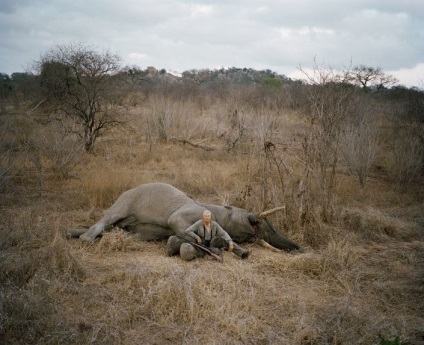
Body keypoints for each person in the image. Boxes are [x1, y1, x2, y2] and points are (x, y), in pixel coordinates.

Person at [166, 209, 251, 261]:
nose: (207, 218)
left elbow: (223, 233)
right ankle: (214, 252)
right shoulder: (199, 223)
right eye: (206, 216)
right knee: (210, 251)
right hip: (201, 243)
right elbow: (188, 230)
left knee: (223, 240)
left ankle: (243, 253)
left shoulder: (214, 224)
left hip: (212, 242)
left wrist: (230, 242)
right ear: (203, 217)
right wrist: (197, 237)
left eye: (209, 216)